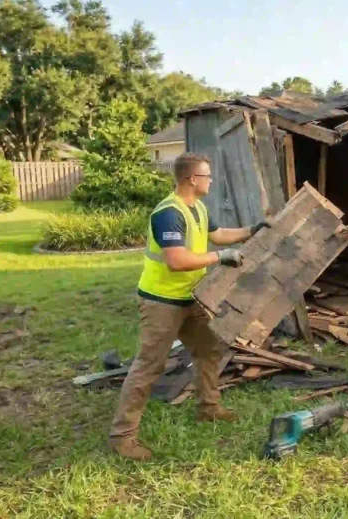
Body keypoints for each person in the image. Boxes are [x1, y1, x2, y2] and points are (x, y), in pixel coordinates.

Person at [108, 152, 270, 461]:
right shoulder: (169, 213)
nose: (211, 180)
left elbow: (219, 235)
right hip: (162, 302)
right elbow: (177, 260)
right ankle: (122, 437)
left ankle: (208, 408)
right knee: (149, 366)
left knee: (209, 349)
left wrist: (252, 230)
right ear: (192, 179)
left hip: (191, 298)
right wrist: (219, 258)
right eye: (207, 175)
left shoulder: (197, 208)